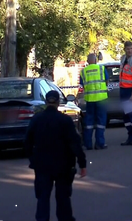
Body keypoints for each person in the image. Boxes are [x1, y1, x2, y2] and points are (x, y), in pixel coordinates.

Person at [24, 90, 87, 221]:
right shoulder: (65, 120)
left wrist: (32, 159)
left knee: (43, 197)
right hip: (63, 165)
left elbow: (27, 141)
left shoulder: (37, 119)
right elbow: (75, 143)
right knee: (63, 196)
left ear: (46, 102)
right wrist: (82, 164)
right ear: (58, 102)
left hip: (42, 165)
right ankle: (65, 218)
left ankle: (42, 219)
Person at [80, 53, 109, 150]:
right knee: (101, 121)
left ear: (88, 61)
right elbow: (107, 81)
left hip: (90, 100)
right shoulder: (101, 69)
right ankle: (100, 143)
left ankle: (88, 144)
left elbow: (83, 85)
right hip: (101, 99)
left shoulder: (83, 72)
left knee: (89, 122)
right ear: (96, 60)